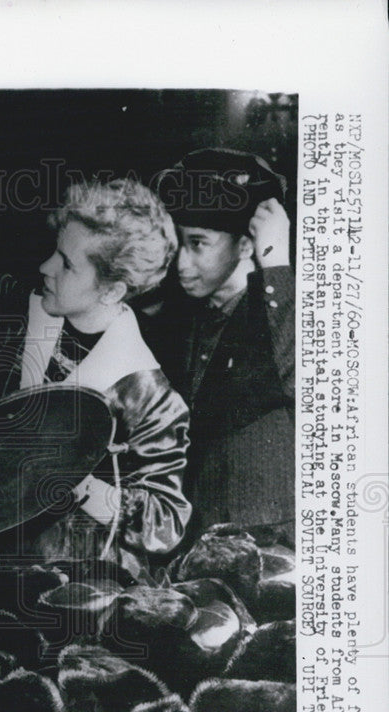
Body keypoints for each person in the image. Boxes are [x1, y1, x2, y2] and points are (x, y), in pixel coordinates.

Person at [0, 178, 192, 572]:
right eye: (55, 252)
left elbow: (164, 525)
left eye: (66, 264)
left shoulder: (149, 394)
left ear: (112, 291)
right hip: (2, 563)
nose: (45, 267)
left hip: (89, 583)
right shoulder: (27, 313)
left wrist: (68, 475)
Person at [150, 148, 295, 544]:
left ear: (246, 246)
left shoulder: (286, 309)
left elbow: (301, 379)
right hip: (202, 542)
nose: (181, 262)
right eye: (177, 243)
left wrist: (276, 264)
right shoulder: (184, 318)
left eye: (198, 244)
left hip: (270, 544)